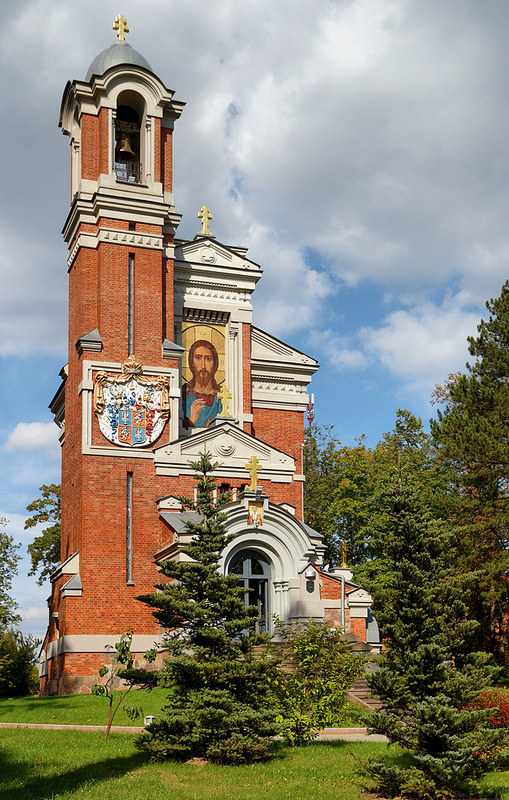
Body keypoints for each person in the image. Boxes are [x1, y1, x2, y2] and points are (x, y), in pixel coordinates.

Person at [183, 339, 221, 428]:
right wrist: (191, 420)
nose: (203, 365)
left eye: (208, 359)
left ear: (214, 364)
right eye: (198, 358)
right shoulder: (183, 394)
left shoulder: (221, 395)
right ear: (191, 363)